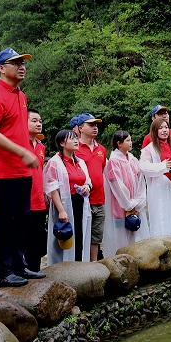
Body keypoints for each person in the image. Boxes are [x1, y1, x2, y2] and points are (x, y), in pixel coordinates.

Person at [0, 47, 45, 286]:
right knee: (5, 223)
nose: (21, 67)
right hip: (3, 172)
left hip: (22, 170)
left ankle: (19, 266)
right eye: (15, 63)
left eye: (23, 63)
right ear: (1, 68)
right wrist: (22, 152)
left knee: (22, 221)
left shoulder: (21, 95)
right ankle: (2, 273)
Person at [44, 129, 92, 263]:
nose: (76, 141)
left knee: (80, 235)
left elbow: (88, 180)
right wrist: (61, 210)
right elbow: (52, 188)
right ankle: (63, 267)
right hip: (64, 203)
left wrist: (87, 186)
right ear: (62, 143)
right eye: (72, 138)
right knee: (65, 235)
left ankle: (79, 265)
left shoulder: (80, 162)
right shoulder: (55, 162)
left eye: (76, 138)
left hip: (80, 202)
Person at [141, 119, 171, 237]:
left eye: (166, 127)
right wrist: (163, 166)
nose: (164, 130)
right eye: (160, 128)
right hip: (159, 189)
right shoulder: (149, 149)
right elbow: (144, 167)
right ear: (154, 130)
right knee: (161, 217)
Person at [102, 130, 146, 256]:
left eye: (130, 140)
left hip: (134, 202)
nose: (131, 143)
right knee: (120, 234)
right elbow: (116, 184)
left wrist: (137, 201)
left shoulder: (132, 159)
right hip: (120, 203)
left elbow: (140, 179)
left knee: (134, 230)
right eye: (128, 140)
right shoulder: (114, 161)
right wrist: (128, 203)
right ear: (119, 143)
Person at [72, 113, 107, 261]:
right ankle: (80, 265)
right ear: (80, 128)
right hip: (82, 199)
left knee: (96, 237)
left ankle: (93, 265)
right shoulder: (74, 148)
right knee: (81, 235)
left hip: (99, 199)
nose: (95, 127)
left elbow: (102, 170)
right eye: (90, 125)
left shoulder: (101, 149)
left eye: (96, 125)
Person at [25, 109, 48, 272]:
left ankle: (36, 273)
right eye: (34, 120)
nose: (38, 124)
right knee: (23, 242)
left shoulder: (41, 146)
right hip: (24, 201)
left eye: (40, 121)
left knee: (37, 243)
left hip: (39, 201)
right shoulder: (18, 145)